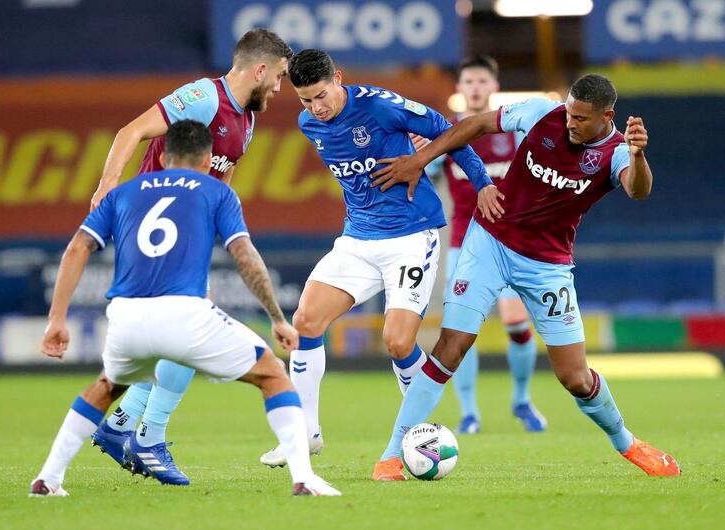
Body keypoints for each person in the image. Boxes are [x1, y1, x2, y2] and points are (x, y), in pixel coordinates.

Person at [370, 74, 681, 476]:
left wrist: (638, 156)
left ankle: (628, 443)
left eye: (581, 119)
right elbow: (476, 124)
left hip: (547, 266)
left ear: (607, 116)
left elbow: (638, 191)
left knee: (574, 377)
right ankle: (392, 454)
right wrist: (421, 158)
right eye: (569, 113)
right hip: (489, 241)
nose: (570, 123)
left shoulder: (617, 153)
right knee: (451, 345)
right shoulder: (540, 113)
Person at [29, 120, 340, 497]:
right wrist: (276, 317)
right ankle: (304, 478)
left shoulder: (123, 193)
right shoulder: (215, 191)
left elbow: (77, 249)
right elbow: (244, 255)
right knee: (273, 374)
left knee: (105, 387)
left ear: (162, 154)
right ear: (209, 159)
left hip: (125, 316)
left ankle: (49, 478)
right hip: (184, 314)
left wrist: (56, 319)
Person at [257, 49, 491, 481]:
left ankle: (416, 431)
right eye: (306, 100)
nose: (316, 107)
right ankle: (306, 432)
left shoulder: (381, 106)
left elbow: (450, 130)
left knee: (399, 343)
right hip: (358, 240)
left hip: (411, 235)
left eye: (322, 95)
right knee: (305, 320)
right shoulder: (310, 125)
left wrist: (481, 184)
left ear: (339, 78)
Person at [83, 28, 292, 485]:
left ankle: (124, 426)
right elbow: (132, 131)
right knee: (189, 328)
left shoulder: (248, 122)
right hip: (152, 230)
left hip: (185, 238)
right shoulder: (202, 97)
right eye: (277, 77)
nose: (279, 88)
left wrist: (216, 235)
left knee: (180, 332)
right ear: (259, 69)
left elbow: (221, 184)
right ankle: (144, 435)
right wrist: (106, 187)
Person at [426, 57, 546, 434]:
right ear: (459, 89)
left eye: (481, 81)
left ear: (493, 87)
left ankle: (522, 401)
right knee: (462, 328)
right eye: (468, 81)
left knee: (515, 322)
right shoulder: (448, 135)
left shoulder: (513, 132)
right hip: (464, 243)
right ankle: (469, 413)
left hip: (511, 243)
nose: (475, 87)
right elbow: (423, 173)